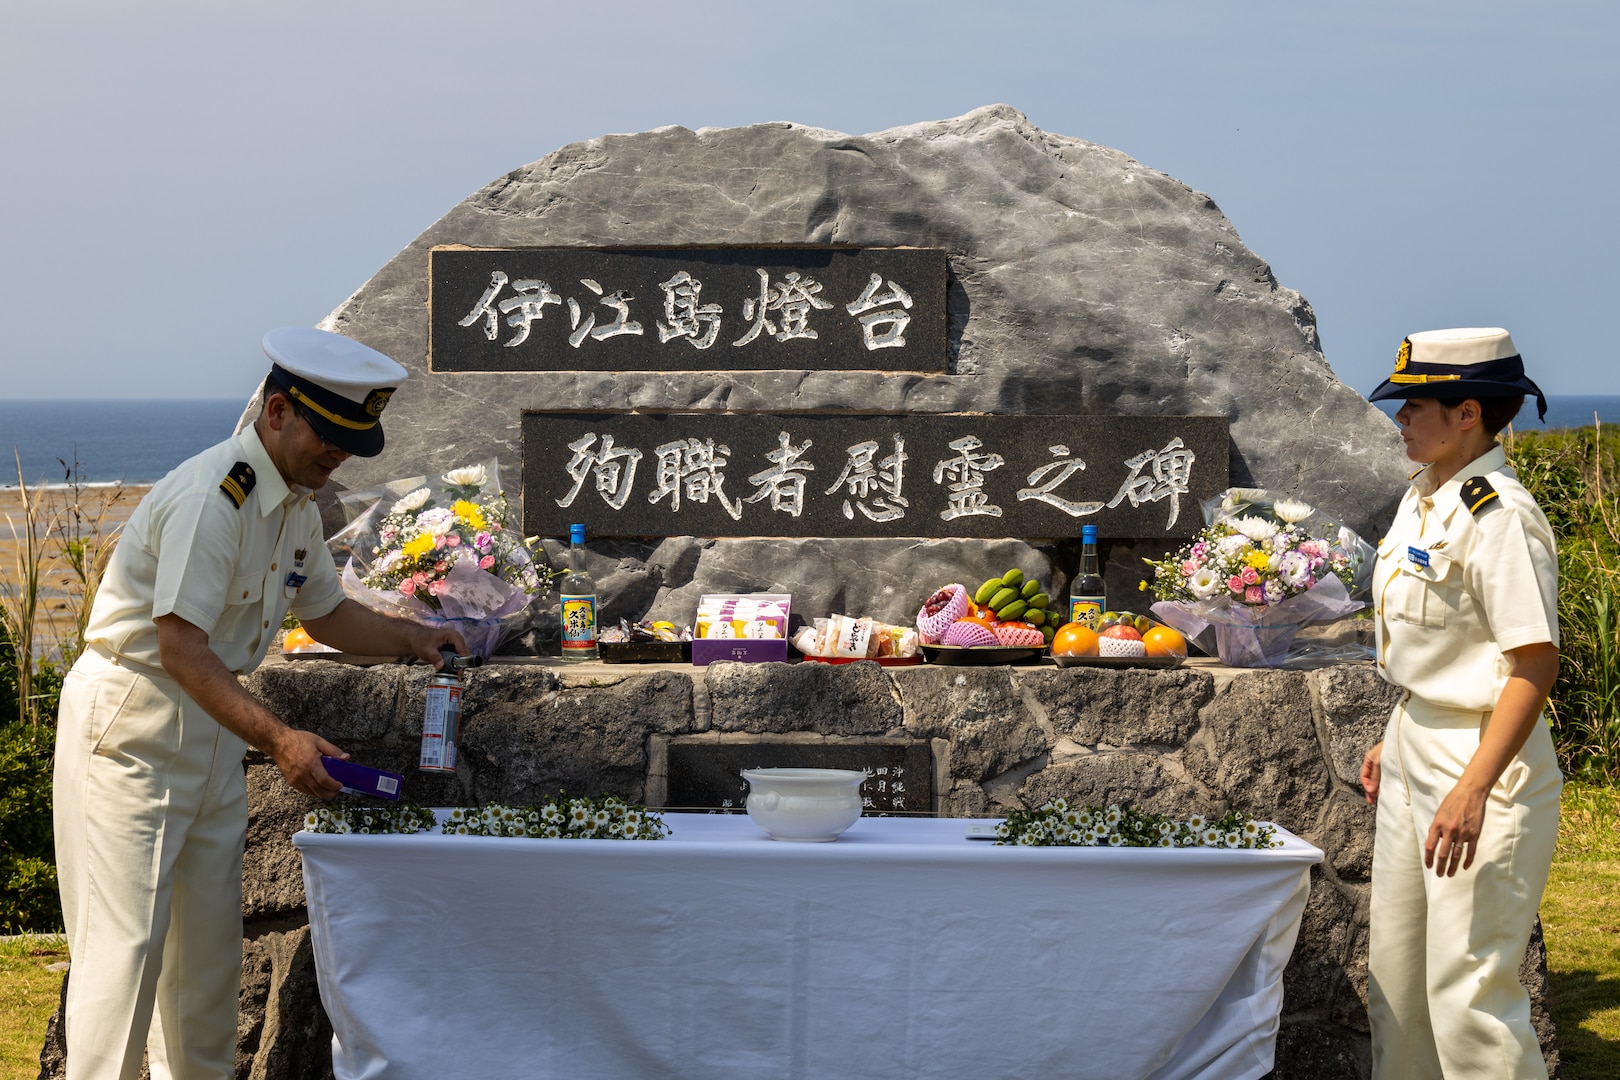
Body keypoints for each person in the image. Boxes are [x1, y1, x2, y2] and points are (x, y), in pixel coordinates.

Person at [53, 327, 468, 1080]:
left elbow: (326, 615)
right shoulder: (215, 499)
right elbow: (181, 649)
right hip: (132, 731)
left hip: (209, 736)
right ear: (277, 411)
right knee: (123, 968)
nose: (337, 453)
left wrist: (414, 636)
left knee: (204, 975)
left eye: (351, 440)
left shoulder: (294, 504)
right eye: (328, 433)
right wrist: (281, 740)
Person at [1358, 327, 1560, 1079]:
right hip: (1418, 744)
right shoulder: (1424, 497)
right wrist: (1399, 732)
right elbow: (1433, 647)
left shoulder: (1498, 514)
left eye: (1415, 406)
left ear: (1468, 412)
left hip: (1483, 760)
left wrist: (1473, 786)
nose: (1401, 419)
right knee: (1401, 986)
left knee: (1468, 995)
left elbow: (1532, 664)